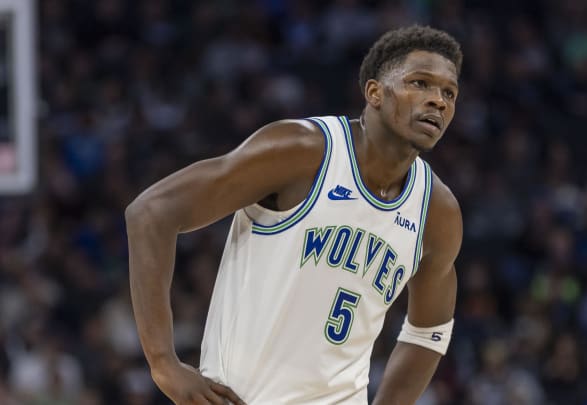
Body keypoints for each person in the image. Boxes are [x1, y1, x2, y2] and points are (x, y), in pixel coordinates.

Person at [125, 25, 463, 405]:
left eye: (448, 92)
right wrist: (163, 363)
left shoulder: (438, 211)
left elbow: (429, 331)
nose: (438, 101)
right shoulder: (302, 151)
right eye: (420, 83)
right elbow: (152, 213)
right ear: (375, 93)